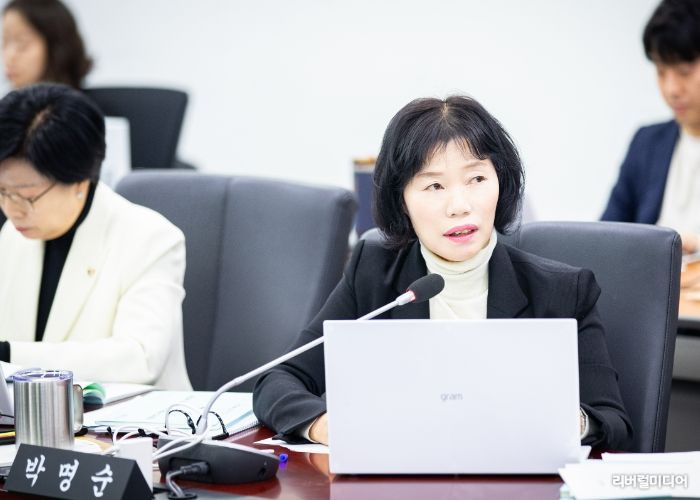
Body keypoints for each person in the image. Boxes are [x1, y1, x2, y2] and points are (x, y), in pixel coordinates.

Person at [253, 95, 634, 451]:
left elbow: (613, 422)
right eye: (434, 185)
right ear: (401, 200)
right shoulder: (374, 273)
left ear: (501, 183)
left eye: (477, 179)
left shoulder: (561, 291)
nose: (459, 206)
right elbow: (278, 381)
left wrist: (564, 421)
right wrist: (327, 426)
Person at [0, 83, 191, 390]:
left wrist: (10, 355)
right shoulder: (13, 235)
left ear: (80, 180)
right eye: (2, 191)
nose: (11, 209)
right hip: (32, 414)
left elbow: (139, 358)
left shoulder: (150, 239)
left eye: (27, 196)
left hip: (135, 418)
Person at [601, 0, 700, 253]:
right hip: (650, 278)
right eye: (661, 71)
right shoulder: (647, 143)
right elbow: (605, 238)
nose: (671, 89)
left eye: (684, 71)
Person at [2, 0, 91, 89]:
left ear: (56, 48)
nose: (9, 56)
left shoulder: (87, 98)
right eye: (4, 43)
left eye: (22, 44)